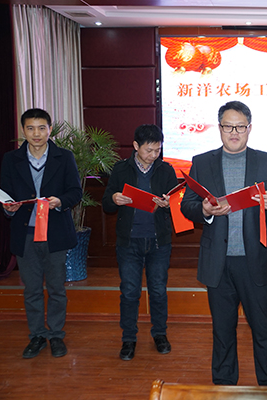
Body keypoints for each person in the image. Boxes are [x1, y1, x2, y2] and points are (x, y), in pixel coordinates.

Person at [181, 101, 267, 385]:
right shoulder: (202, 162)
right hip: (218, 262)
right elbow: (187, 206)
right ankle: (224, 387)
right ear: (219, 128)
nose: (234, 132)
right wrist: (204, 210)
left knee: (263, 330)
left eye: (240, 127)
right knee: (222, 332)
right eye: (228, 126)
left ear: (249, 128)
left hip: (256, 260)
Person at [0, 108, 82, 359]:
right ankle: (37, 335)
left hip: (54, 232)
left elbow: (75, 192)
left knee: (57, 288)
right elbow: (6, 195)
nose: (36, 133)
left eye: (41, 128)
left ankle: (56, 335)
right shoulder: (11, 159)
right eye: (30, 128)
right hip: (25, 233)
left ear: (49, 129)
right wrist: (9, 207)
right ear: (23, 130)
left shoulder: (64, 157)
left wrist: (61, 201)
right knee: (32, 289)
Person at [102, 125, 178, 361]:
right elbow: (107, 203)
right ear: (136, 146)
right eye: (149, 150)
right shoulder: (121, 169)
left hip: (158, 241)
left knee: (158, 290)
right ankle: (128, 339)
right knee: (129, 292)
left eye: (157, 150)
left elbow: (178, 204)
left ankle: (160, 334)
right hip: (129, 242)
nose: (153, 155)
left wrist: (169, 203)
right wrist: (114, 198)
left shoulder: (166, 170)